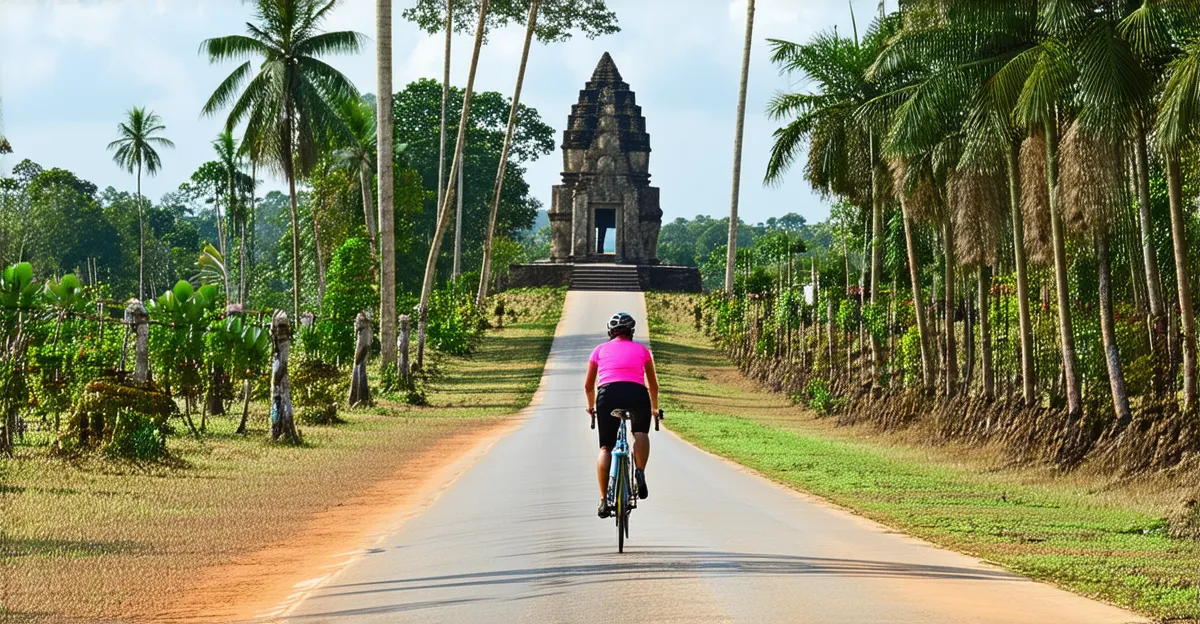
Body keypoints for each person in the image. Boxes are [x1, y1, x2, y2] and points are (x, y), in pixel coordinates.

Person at [585, 311, 659, 519]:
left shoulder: (599, 350)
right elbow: (653, 385)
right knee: (640, 433)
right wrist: (654, 408)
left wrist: (591, 407)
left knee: (605, 447)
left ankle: (602, 500)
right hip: (637, 394)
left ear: (611, 332)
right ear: (631, 332)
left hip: (608, 394)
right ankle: (640, 471)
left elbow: (589, 386)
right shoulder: (643, 351)